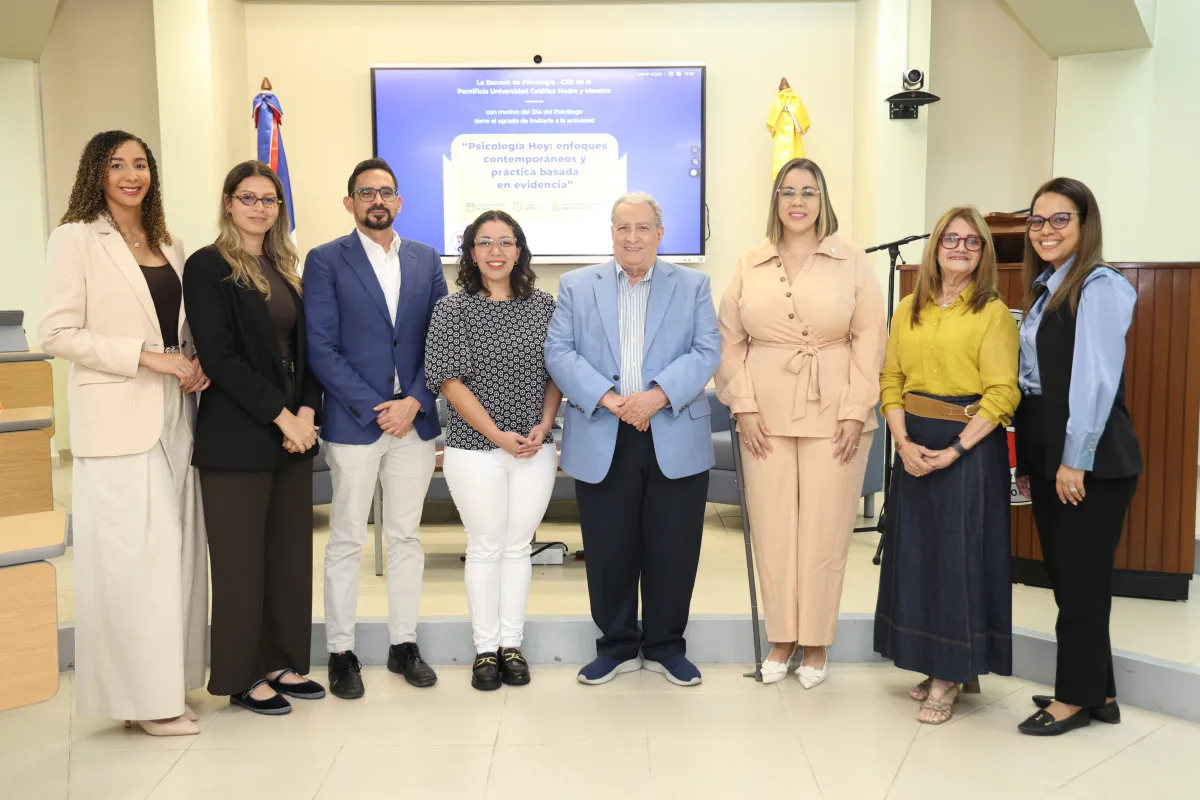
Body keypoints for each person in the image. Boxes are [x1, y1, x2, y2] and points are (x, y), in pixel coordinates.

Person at [39, 130, 208, 736]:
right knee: (132, 563)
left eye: (141, 164)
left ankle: (168, 684)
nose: (132, 174)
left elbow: (180, 327)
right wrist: (144, 355)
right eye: (118, 164)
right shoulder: (75, 239)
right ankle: (144, 700)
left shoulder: (170, 243)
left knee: (174, 559)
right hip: (116, 419)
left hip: (174, 416)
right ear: (97, 173)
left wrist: (192, 361)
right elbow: (52, 333)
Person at [715, 158, 885, 689]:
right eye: (787, 191)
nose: (797, 201)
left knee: (824, 531)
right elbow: (728, 340)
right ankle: (781, 638)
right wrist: (742, 406)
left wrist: (857, 411)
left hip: (835, 415)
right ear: (775, 201)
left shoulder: (852, 261)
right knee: (772, 529)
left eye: (808, 192)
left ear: (822, 201)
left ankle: (815, 643)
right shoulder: (748, 262)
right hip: (763, 414)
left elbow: (871, 339)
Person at [545, 191, 720, 687]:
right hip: (604, 429)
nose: (632, 237)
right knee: (608, 547)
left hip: (672, 430)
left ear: (660, 235)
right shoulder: (578, 286)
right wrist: (609, 398)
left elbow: (708, 350)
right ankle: (617, 644)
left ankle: (666, 645)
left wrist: (656, 396)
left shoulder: (693, 285)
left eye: (643, 228)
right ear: (612, 233)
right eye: (623, 228)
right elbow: (558, 351)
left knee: (674, 546)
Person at [183, 160, 326, 715]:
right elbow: (220, 356)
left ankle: (280, 660)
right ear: (228, 203)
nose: (260, 207)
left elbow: (308, 351)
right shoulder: (207, 265)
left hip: (293, 435)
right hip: (238, 437)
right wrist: (281, 416)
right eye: (249, 197)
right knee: (241, 565)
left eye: (269, 200)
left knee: (287, 558)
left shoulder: (286, 267)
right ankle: (241, 675)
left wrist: (308, 412)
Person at [305, 158, 447, 698]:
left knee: (405, 536)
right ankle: (341, 651)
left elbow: (439, 337)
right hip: (353, 422)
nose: (377, 200)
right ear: (350, 203)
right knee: (345, 538)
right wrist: (376, 406)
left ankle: (403, 644)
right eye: (366, 193)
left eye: (385, 192)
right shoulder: (324, 261)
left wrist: (414, 399)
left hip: (414, 422)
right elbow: (320, 345)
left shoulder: (425, 258)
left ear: (400, 201)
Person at [873, 205, 1020, 724]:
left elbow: (1003, 393)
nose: (960, 247)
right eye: (951, 239)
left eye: (972, 242)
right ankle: (935, 660)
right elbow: (891, 380)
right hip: (913, 442)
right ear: (934, 247)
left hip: (969, 447)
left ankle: (949, 677)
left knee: (958, 563)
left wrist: (955, 450)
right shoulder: (908, 309)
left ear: (984, 253)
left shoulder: (993, 313)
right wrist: (903, 441)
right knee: (917, 558)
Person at [1013, 177, 1141, 737]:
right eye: (1037, 221)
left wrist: (1074, 460)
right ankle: (1101, 692)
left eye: (1059, 219)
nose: (1045, 231)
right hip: (1050, 450)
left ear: (1085, 224)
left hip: (1089, 458)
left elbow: (1093, 383)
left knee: (1081, 584)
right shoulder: (1047, 287)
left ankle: (1072, 700)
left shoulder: (1100, 286)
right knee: (1073, 580)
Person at [424, 210, 561, 691]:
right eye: (486, 242)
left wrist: (545, 424)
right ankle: (485, 650)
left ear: (520, 250)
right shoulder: (453, 308)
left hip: (535, 449)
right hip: (474, 450)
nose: (496, 251)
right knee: (484, 547)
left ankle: (511, 645)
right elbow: (449, 383)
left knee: (518, 547)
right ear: (471, 251)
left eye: (506, 241)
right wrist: (499, 435)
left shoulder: (545, 306)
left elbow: (556, 373)